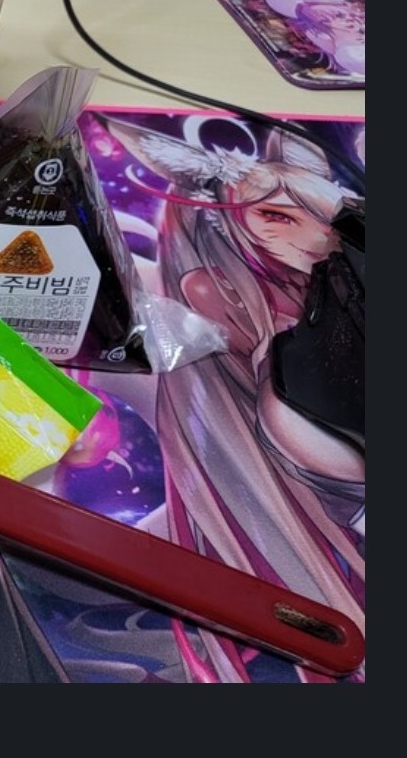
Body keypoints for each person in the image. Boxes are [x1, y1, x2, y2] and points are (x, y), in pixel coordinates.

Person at [95, 114, 366, 682]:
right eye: (275, 217)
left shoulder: (325, 285)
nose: (318, 237)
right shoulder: (218, 300)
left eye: (324, 216)